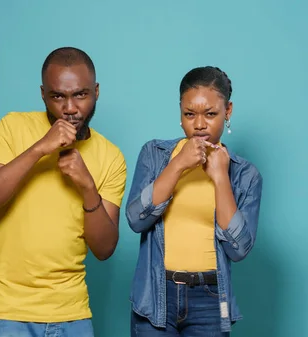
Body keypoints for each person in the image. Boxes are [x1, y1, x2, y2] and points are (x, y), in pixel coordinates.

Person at [0, 47, 127, 337]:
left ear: (96, 92)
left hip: (73, 313)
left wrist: (87, 187)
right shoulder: (12, 126)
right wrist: (40, 148)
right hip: (9, 312)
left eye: (81, 94)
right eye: (58, 96)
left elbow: (104, 249)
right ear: (43, 94)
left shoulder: (111, 156)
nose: (70, 108)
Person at [125, 66, 263, 336]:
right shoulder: (155, 155)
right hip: (157, 295)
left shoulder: (245, 175)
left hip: (211, 299)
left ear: (228, 111)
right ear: (180, 111)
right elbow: (135, 219)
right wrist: (177, 166)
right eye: (190, 114)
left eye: (210, 114)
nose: (199, 124)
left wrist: (221, 178)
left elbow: (239, 249)